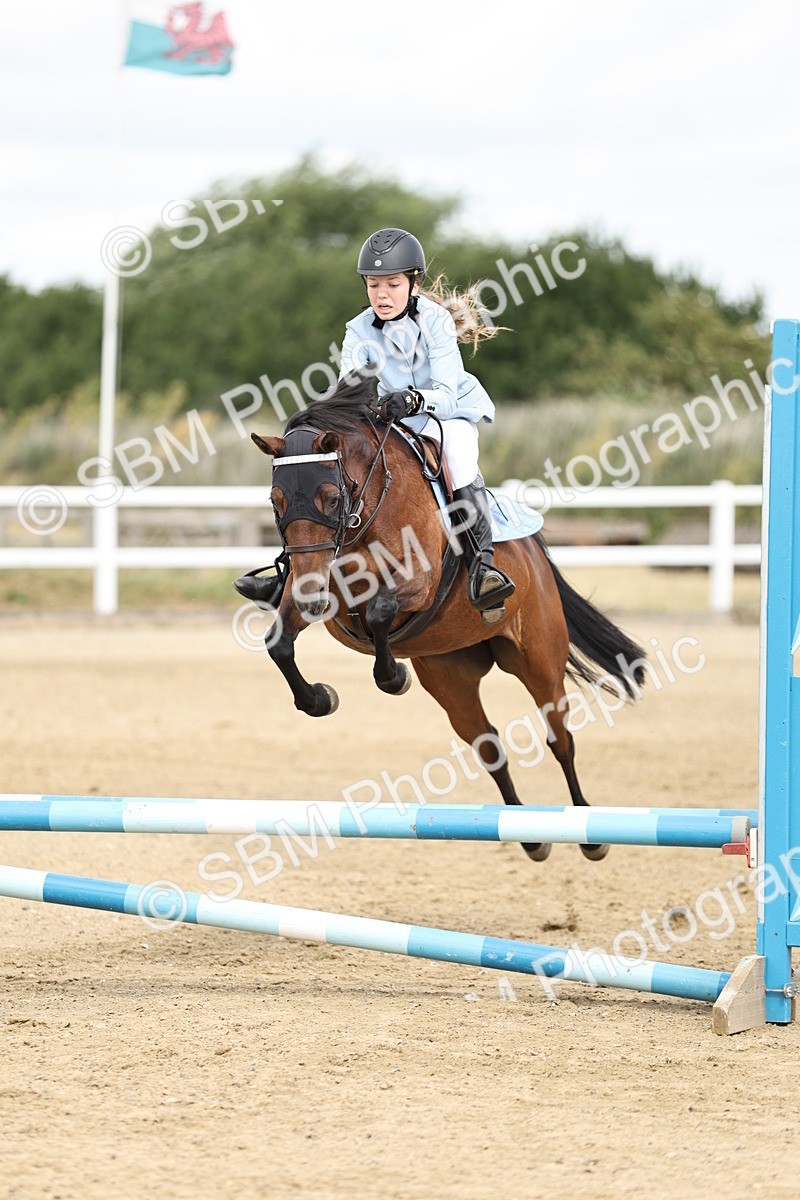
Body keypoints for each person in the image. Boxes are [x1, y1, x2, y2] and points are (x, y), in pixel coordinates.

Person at [340, 226, 515, 621]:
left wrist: (414, 399)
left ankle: (483, 568)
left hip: (451, 413)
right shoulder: (358, 330)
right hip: (398, 419)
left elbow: (448, 394)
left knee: (456, 454)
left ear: (413, 282)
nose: (381, 295)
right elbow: (348, 387)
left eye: (392, 284)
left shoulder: (435, 320)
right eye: (372, 285)